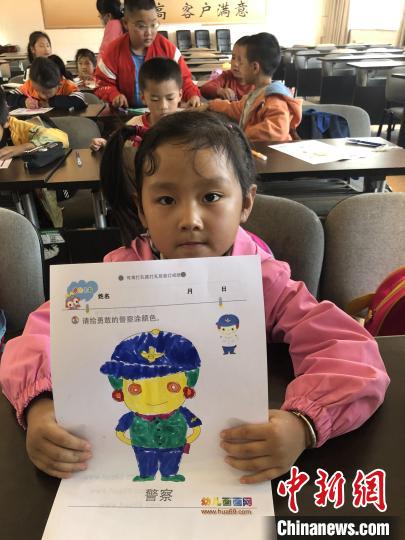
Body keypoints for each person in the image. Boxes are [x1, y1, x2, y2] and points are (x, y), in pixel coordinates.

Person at [0, 111, 389, 483]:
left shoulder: (263, 281)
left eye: (211, 196)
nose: (189, 219)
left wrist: (302, 424)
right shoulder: (118, 275)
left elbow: (348, 350)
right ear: (142, 209)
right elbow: (40, 334)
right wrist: (39, 406)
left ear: (246, 203)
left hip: (229, 456)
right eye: (166, 200)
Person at [95, 0, 200, 109]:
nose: (149, 32)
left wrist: (192, 95)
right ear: (125, 23)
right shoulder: (113, 51)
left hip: (163, 111)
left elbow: (184, 79)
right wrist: (114, 95)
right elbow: (102, 84)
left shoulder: (168, 49)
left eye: (153, 25)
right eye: (141, 26)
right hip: (127, 112)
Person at [201, 33, 302, 142]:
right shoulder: (255, 95)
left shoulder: (274, 98)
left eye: (241, 63)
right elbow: (234, 108)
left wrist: (240, 134)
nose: (237, 66)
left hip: (271, 151)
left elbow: (277, 131)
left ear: (254, 67)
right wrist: (210, 105)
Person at [0, 88, 68, 227]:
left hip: (26, 202)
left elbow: (61, 138)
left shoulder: (17, 127)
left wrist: (21, 147)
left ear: (5, 121)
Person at [90, 56, 183, 151]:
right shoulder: (134, 126)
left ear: (180, 95)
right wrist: (104, 144)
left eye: (170, 98)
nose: (163, 106)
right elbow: (115, 143)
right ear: (143, 98)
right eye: (155, 99)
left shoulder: (187, 125)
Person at [7, 57, 87, 111]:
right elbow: (8, 96)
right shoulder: (30, 85)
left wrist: (51, 102)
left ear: (59, 84)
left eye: (46, 92)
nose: (41, 95)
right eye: (37, 90)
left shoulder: (67, 85)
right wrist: (24, 101)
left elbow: (80, 99)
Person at [200, 37, 255, 101]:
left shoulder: (257, 83)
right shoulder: (227, 76)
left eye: (240, 60)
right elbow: (205, 88)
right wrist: (220, 91)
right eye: (233, 58)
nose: (235, 63)